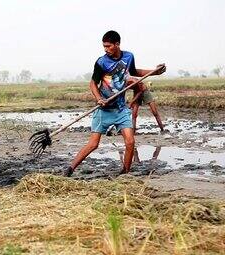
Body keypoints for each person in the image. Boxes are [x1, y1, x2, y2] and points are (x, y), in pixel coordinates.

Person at [63, 30, 165, 177]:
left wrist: (155, 72)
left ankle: (125, 173)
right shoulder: (101, 62)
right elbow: (93, 84)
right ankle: (70, 169)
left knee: (130, 142)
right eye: (104, 46)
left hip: (120, 109)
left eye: (108, 46)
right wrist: (99, 98)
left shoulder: (129, 56)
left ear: (117, 44)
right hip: (103, 109)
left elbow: (134, 71)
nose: (106, 49)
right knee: (93, 144)